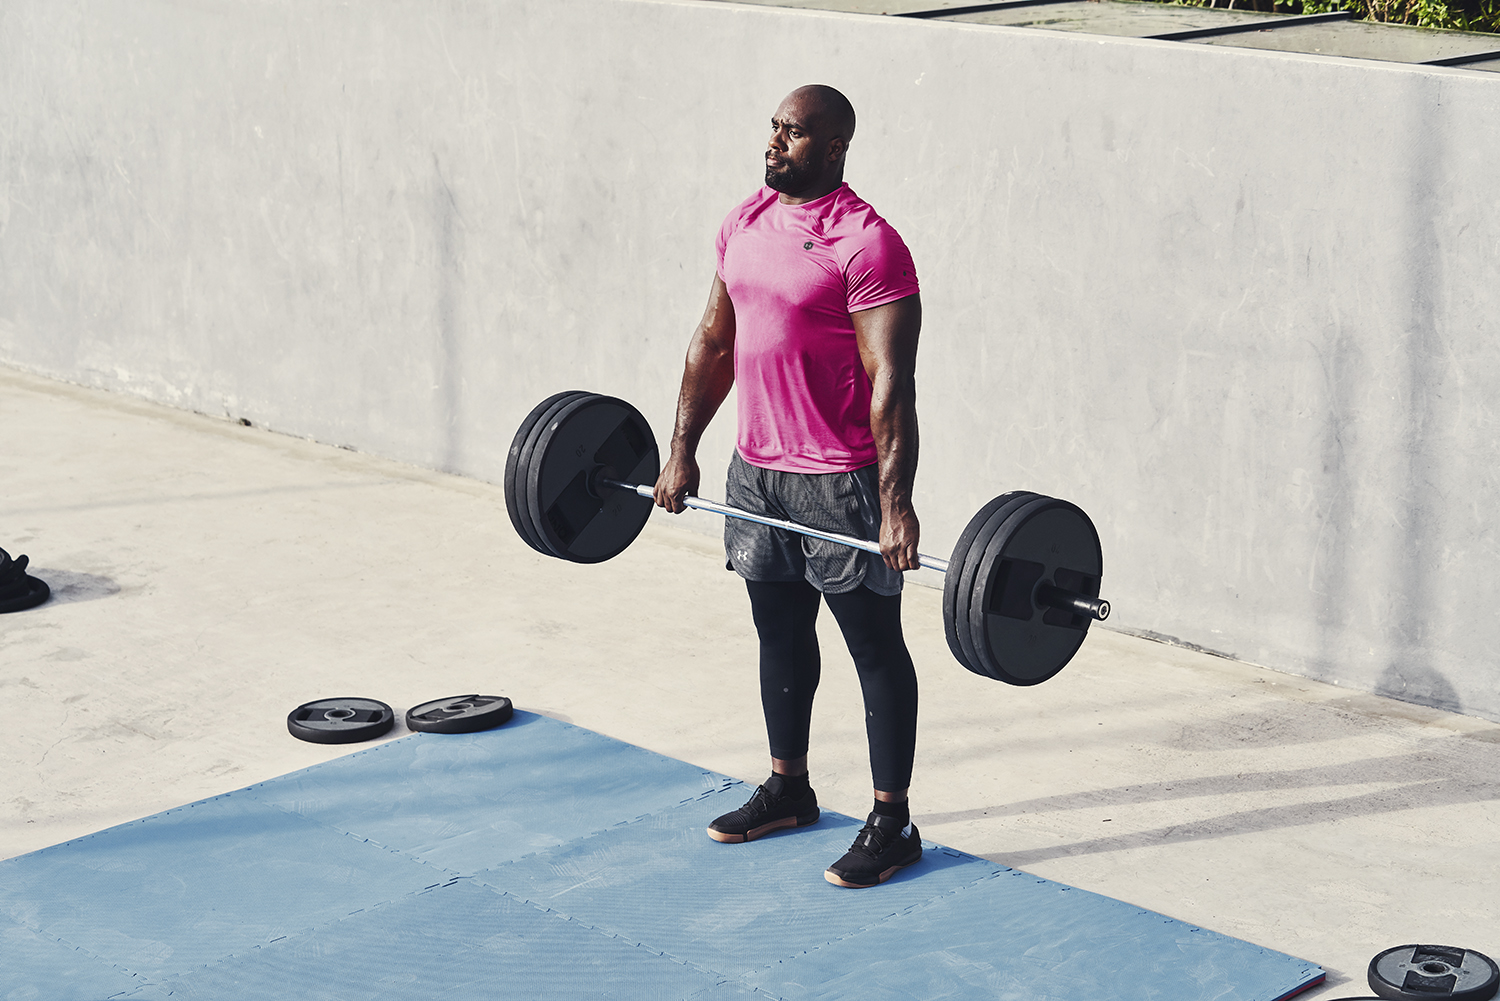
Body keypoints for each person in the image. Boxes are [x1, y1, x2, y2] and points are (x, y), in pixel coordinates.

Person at [652, 84, 924, 888]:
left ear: (835, 147)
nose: (775, 143)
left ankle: (892, 818)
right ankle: (789, 787)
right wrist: (681, 450)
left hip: (839, 483)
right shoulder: (744, 220)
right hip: (756, 474)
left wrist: (895, 501)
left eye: (795, 133)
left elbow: (890, 384)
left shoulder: (869, 245)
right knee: (779, 634)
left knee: (874, 650)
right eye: (774, 128)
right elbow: (712, 341)